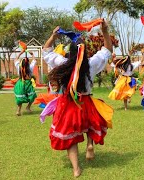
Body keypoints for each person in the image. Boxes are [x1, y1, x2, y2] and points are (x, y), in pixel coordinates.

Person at [41, 19, 113, 177]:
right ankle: (89, 145)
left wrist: (53, 36)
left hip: (68, 104)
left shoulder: (62, 62)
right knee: (89, 125)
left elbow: (46, 51)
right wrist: (105, 31)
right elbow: (107, 50)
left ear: (71, 51)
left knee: (70, 138)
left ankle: (76, 169)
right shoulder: (91, 64)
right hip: (86, 102)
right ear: (85, 52)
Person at [14, 50, 37, 116]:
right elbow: (34, 60)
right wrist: (32, 54)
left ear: (21, 63)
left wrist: (20, 53)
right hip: (28, 84)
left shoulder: (19, 67)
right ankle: (28, 107)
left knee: (20, 98)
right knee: (32, 96)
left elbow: (15, 59)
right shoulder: (30, 68)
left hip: (20, 84)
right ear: (28, 63)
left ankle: (18, 110)